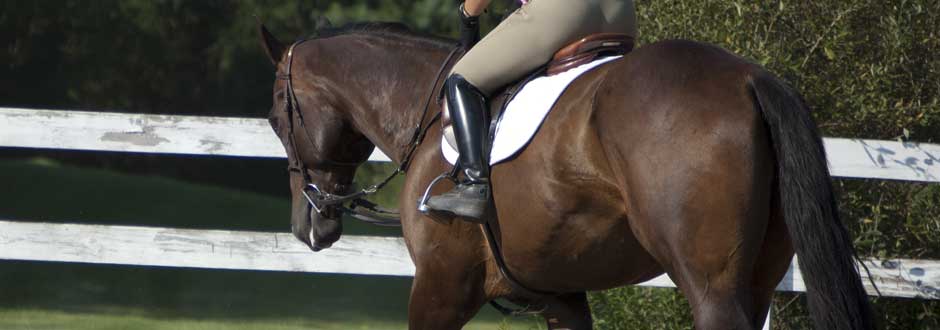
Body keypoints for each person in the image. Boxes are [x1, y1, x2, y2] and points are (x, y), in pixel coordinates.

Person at [426, 0, 637, 220]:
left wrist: (467, 16)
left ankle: (473, 186)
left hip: (567, 12)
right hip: (621, 14)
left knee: (461, 79)